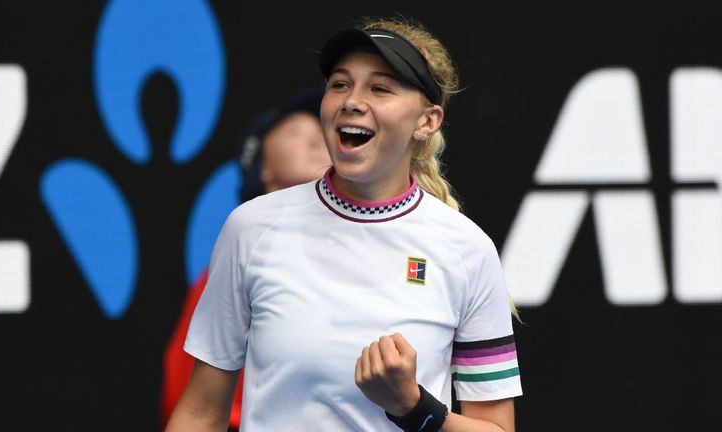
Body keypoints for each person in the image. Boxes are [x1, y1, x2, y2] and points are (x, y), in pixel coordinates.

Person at [166, 16, 522, 432]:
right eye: (339, 84)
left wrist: (413, 406)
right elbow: (200, 413)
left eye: (380, 88)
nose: (352, 100)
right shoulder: (251, 228)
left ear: (427, 122)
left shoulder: (467, 249)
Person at [160, 88, 332, 429]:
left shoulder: (381, 252)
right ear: (263, 169)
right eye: (297, 132)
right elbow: (187, 402)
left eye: (324, 133)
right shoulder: (235, 265)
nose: (317, 141)